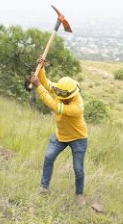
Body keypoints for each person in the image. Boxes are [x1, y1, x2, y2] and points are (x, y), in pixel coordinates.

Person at [29, 57, 88, 204]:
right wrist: (41, 68)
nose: (61, 97)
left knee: (78, 168)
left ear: (72, 95)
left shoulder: (77, 107)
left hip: (78, 138)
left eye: (64, 96)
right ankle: (44, 187)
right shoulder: (62, 91)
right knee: (49, 157)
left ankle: (79, 194)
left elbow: (54, 105)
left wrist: (38, 87)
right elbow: (48, 84)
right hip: (60, 134)